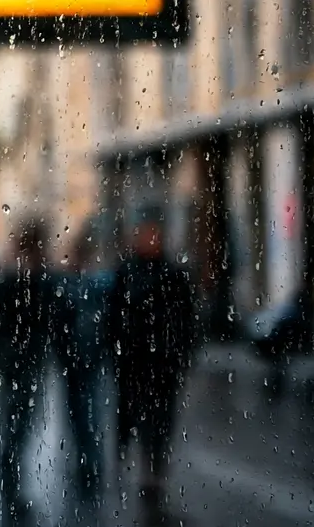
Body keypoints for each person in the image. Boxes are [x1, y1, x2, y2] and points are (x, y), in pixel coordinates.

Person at [107, 206, 193, 520]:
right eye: (145, 233)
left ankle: (155, 471)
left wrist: (182, 355)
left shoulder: (173, 274)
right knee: (140, 417)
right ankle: (146, 468)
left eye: (154, 233)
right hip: (134, 361)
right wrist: (117, 355)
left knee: (162, 419)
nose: (150, 239)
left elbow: (186, 320)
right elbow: (113, 318)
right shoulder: (126, 273)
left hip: (164, 362)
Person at [0, 217, 52, 527]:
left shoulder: (36, 282)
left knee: (20, 424)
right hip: (11, 363)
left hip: (25, 363)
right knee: (11, 423)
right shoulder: (10, 281)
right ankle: (7, 480)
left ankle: (8, 478)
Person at [51, 228, 113, 508]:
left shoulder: (97, 284)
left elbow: (107, 323)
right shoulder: (72, 284)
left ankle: (90, 461)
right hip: (74, 361)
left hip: (87, 360)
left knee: (86, 409)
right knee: (80, 409)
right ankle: (86, 458)